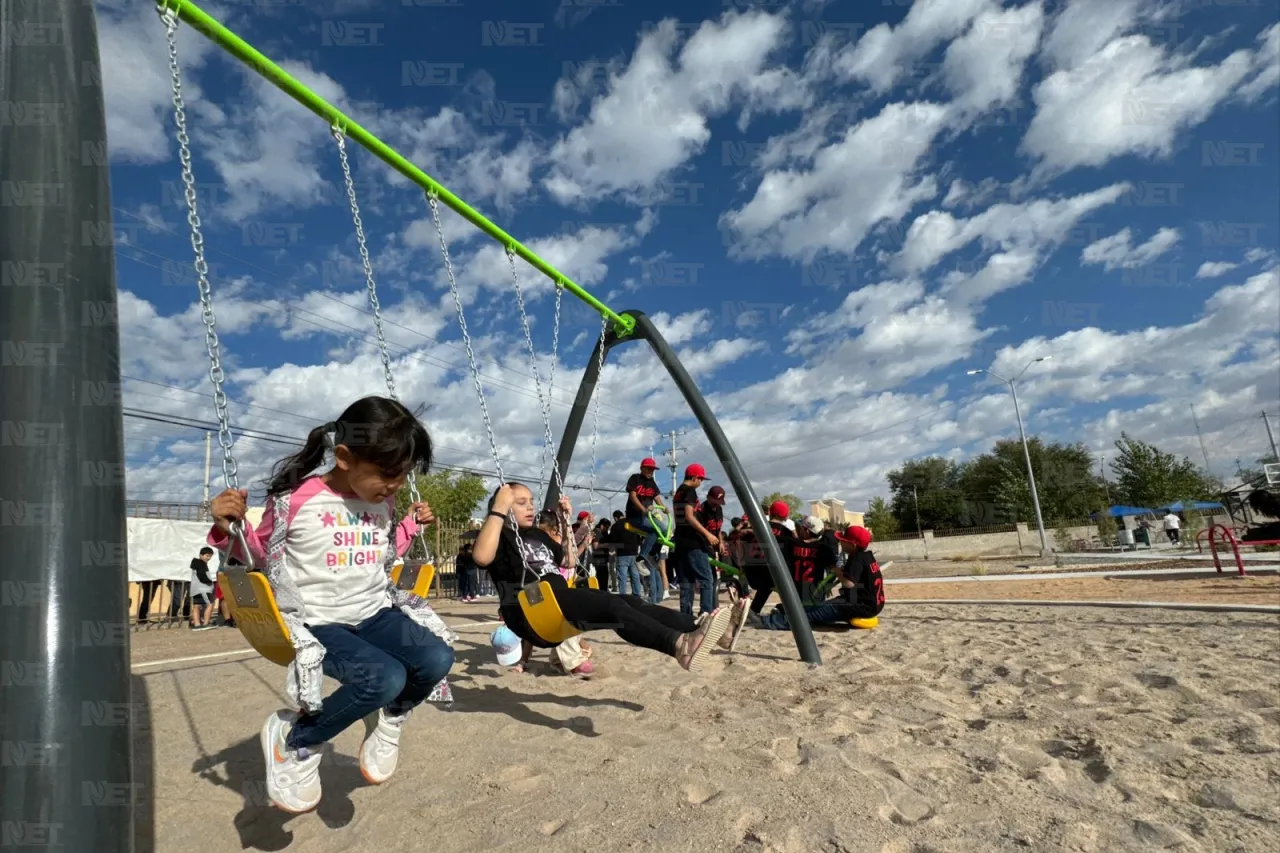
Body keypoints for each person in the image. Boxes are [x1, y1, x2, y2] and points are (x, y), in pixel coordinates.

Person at [207, 396, 456, 814]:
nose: (396, 484)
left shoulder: (383, 501)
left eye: (405, 474)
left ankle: (390, 717)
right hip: (319, 622)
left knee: (436, 657)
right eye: (388, 473)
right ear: (344, 457)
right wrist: (223, 527)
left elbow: (375, 553)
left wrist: (411, 525)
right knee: (384, 677)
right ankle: (296, 739)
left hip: (374, 612)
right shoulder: (296, 499)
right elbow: (261, 555)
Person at [472, 481, 738, 673]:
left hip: (559, 603)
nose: (530, 507)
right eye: (520, 503)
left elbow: (569, 560)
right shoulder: (499, 534)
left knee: (628, 601)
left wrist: (566, 522)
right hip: (530, 612)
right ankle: (679, 645)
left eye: (531, 501)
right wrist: (498, 510)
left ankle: (696, 627)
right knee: (614, 607)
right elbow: (482, 557)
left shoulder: (538, 535)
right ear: (503, 506)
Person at [748, 525, 885, 632]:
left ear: (853, 545)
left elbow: (848, 583)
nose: (840, 543)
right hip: (872, 604)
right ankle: (778, 613)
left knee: (811, 614)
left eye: (843, 541)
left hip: (859, 605)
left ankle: (766, 622)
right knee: (819, 609)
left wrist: (837, 571)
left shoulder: (856, 559)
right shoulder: (868, 557)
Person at [671, 465, 719, 617]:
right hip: (693, 542)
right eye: (700, 479)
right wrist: (708, 534)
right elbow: (689, 516)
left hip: (680, 540)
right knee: (706, 579)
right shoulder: (689, 491)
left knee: (686, 582)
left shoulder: (678, 492)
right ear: (694, 478)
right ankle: (705, 614)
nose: (701, 483)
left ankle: (685, 616)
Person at [624, 457, 665, 571]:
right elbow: (633, 496)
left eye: (652, 470)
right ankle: (641, 558)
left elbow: (656, 496)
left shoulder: (652, 482)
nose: (651, 472)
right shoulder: (635, 478)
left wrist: (663, 508)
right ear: (642, 468)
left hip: (647, 517)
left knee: (666, 531)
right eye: (648, 469)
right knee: (657, 529)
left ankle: (650, 555)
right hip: (635, 516)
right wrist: (643, 509)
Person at [189, 547, 217, 631]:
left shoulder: (195, 564)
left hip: (195, 589)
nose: (208, 558)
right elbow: (202, 575)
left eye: (210, 556)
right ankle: (206, 623)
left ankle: (197, 624)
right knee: (210, 604)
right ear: (201, 555)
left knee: (196, 606)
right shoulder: (201, 564)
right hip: (203, 588)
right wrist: (209, 582)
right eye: (207, 556)